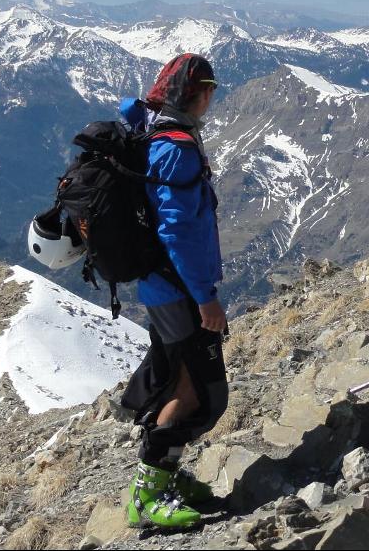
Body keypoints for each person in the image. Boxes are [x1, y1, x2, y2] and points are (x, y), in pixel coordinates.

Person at [120, 53, 228, 530]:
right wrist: (205, 297)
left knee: (177, 379)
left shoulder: (150, 129)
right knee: (197, 392)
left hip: (160, 287)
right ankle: (149, 493)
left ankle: (168, 476)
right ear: (199, 93)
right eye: (211, 91)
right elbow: (178, 231)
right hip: (178, 289)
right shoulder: (176, 147)